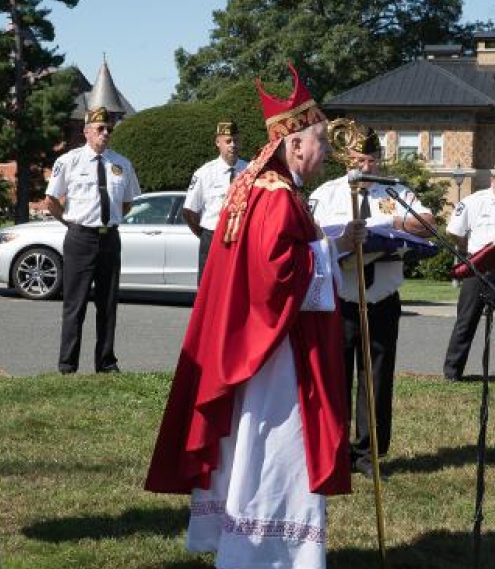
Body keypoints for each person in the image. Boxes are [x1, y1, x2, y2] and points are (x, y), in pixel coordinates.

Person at [145, 63, 364, 569]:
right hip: (275, 354)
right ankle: (269, 551)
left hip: (252, 345)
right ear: (293, 144)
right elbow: (274, 274)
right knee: (275, 447)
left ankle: (242, 541)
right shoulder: (278, 195)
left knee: (247, 443)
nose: (327, 153)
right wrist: (329, 254)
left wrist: (325, 245)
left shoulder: (252, 186)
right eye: (321, 143)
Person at [310, 124, 434, 479]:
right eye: (357, 160)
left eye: (371, 159)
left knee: (376, 379)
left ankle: (369, 455)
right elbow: (310, 233)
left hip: (381, 299)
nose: (364, 167)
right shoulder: (327, 192)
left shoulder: (395, 191)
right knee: (334, 380)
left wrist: (393, 221)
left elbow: (426, 223)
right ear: (345, 160)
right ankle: (333, 452)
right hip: (339, 298)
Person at [44, 106, 141, 374]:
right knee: (75, 304)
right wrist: (71, 222)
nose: (105, 133)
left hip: (109, 238)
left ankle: (106, 362)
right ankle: (67, 365)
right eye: (99, 129)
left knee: (108, 304)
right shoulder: (69, 161)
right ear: (86, 132)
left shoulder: (122, 163)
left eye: (108, 129)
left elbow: (128, 203)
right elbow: (51, 200)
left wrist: (107, 220)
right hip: (80, 238)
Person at [442, 161, 495, 383]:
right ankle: (452, 372)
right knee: (466, 321)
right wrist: (469, 251)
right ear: (492, 181)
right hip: (478, 269)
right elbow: (454, 231)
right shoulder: (474, 201)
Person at [182, 121, 248, 282]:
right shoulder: (205, 173)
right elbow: (189, 211)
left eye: (236, 140)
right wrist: (206, 233)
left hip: (240, 240)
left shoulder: (250, 171)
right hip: (212, 238)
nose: (233, 145)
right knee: (209, 287)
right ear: (217, 142)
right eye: (228, 141)